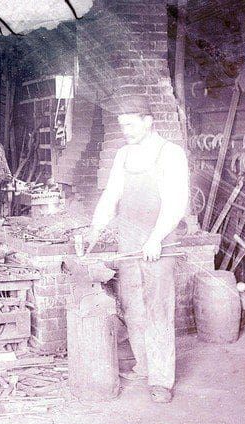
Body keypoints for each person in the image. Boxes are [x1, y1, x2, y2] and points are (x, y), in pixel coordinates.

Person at [88, 95, 189, 403]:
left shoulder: (170, 154)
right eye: (122, 125)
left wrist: (156, 238)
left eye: (131, 125)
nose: (126, 131)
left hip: (160, 237)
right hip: (128, 241)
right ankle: (144, 364)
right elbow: (111, 194)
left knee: (158, 307)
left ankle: (161, 379)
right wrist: (95, 228)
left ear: (148, 121)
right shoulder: (123, 155)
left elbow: (176, 202)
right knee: (132, 303)